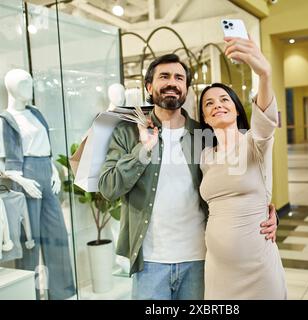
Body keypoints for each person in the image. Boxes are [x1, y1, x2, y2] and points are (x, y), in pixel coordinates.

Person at [98, 54, 278, 300]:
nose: (172, 82)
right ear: (149, 87)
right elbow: (108, 188)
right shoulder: (128, 132)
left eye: (179, 78)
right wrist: (143, 150)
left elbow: (238, 174)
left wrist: (265, 210)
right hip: (151, 262)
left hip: (200, 259)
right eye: (164, 76)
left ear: (186, 89)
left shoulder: (203, 134)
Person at [198, 36, 287, 299]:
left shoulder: (255, 143)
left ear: (237, 110)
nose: (217, 106)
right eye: (209, 103)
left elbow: (266, 121)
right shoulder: (204, 156)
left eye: (224, 100)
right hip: (217, 270)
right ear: (204, 117)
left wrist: (264, 73)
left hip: (257, 269)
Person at [0, 69, 75, 300]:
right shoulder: (3, 121)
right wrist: (20, 179)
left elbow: (47, 149)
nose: (30, 87)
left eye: (30, 82)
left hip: (46, 174)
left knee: (58, 235)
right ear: (12, 87)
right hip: (24, 176)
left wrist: (55, 172)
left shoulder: (36, 113)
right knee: (30, 241)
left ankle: (62, 293)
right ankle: (32, 295)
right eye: (24, 83)